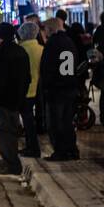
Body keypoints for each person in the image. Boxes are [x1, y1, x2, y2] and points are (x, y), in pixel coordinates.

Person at [0, 23, 31, 175]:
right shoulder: (21, 51)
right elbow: (27, 77)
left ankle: (12, 165)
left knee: (5, 133)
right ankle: (11, 161)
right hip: (18, 98)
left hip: (4, 100)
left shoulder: (1, 54)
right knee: (12, 132)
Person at [40, 17, 80, 160]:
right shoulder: (69, 42)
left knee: (56, 122)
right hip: (70, 86)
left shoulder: (52, 44)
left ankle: (60, 151)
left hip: (56, 89)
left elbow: (47, 67)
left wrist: (46, 86)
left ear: (50, 29)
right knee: (68, 121)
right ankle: (72, 149)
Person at [17, 19, 44, 157]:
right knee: (31, 120)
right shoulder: (41, 49)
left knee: (27, 121)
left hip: (25, 89)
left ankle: (32, 147)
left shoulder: (21, 49)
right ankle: (31, 146)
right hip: (39, 88)